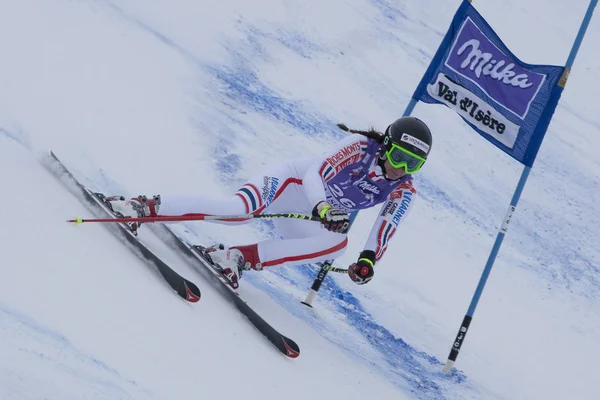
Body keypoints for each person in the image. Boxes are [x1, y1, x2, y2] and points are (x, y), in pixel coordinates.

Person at [108, 116, 432, 287]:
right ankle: (139, 207)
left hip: (309, 215)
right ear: (386, 145)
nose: (400, 168)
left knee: (337, 245)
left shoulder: (404, 189)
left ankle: (236, 258)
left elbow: (387, 224)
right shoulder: (361, 146)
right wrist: (322, 207)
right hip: (291, 184)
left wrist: (368, 260)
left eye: (412, 164)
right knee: (239, 213)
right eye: (399, 156)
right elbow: (316, 173)